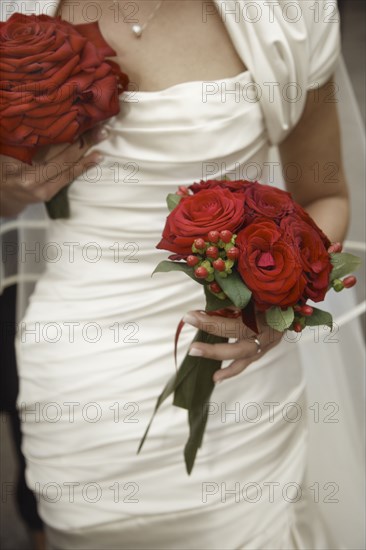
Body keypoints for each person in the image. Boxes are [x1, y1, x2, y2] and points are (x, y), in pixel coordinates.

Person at [0, 1, 364, 548]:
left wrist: (270, 307)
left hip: (239, 383)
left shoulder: (289, 13)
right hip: (80, 380)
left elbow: (324, 194)